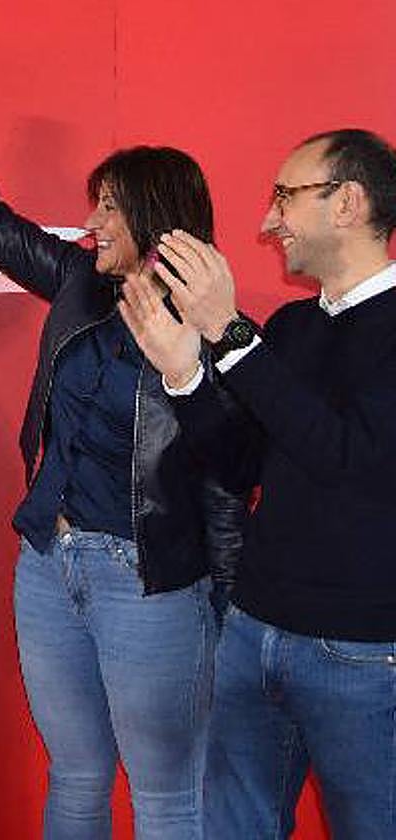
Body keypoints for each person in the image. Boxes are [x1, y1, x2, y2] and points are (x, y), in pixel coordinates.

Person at [0, 64, 243, 838]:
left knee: (168, 795)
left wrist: (226, 598)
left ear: (157, 217)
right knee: (74, 777)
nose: (92, 223)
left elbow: (231, 475)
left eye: (109, 207)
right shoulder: (80, 283)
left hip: (150, 582)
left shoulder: (216, 329)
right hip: (49, 563)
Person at [118, 128, 396, 839]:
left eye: (286, 197)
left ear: (349, 203)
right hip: (253, 633)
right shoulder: (297, 327)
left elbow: (347, 458)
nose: (270, 219)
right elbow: (244, 465)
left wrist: (232, 335)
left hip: (362, 656)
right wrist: (185, 373)